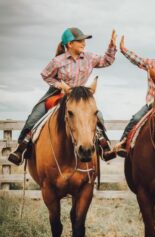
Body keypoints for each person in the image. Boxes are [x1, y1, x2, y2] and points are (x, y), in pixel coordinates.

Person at [8, 27, 117, 165]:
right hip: (58, 95)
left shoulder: (89, 57)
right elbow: (45, 75)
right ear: (69, 44)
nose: (84, 43)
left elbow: (107, 61)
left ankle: (104, 147)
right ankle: (21, 150)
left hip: (80, 97)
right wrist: (60, 85)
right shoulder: (57, 61)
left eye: (84, 40)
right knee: (34, 117)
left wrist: (112, 47)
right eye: (80, 41)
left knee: (97, 116)